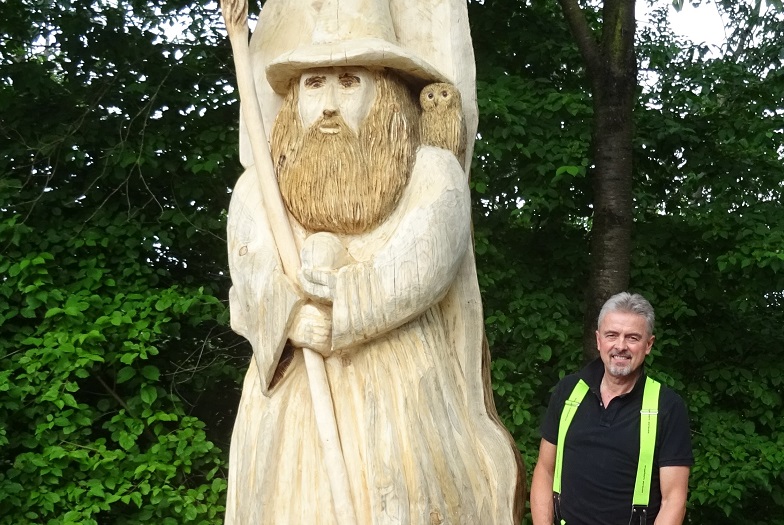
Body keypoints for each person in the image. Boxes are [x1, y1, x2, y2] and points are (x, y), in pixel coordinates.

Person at [223, 2, 522, 523]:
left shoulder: (431, 171)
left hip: (402, 398)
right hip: (292, 397)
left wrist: (344, 310)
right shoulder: (259, 188)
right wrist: (292, 317)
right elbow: (249, 273)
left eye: (348, 81)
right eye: (314, 84)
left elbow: (422, 265)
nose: (330, 104)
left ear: (382, 93)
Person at [530, 292, 693, 525]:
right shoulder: (568, 391)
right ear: (598, 341)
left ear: (648, 345)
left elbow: (674, 500)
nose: (620, 346)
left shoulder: (666, 406)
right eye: (612, 335)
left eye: (633, 338)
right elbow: (545, 471)